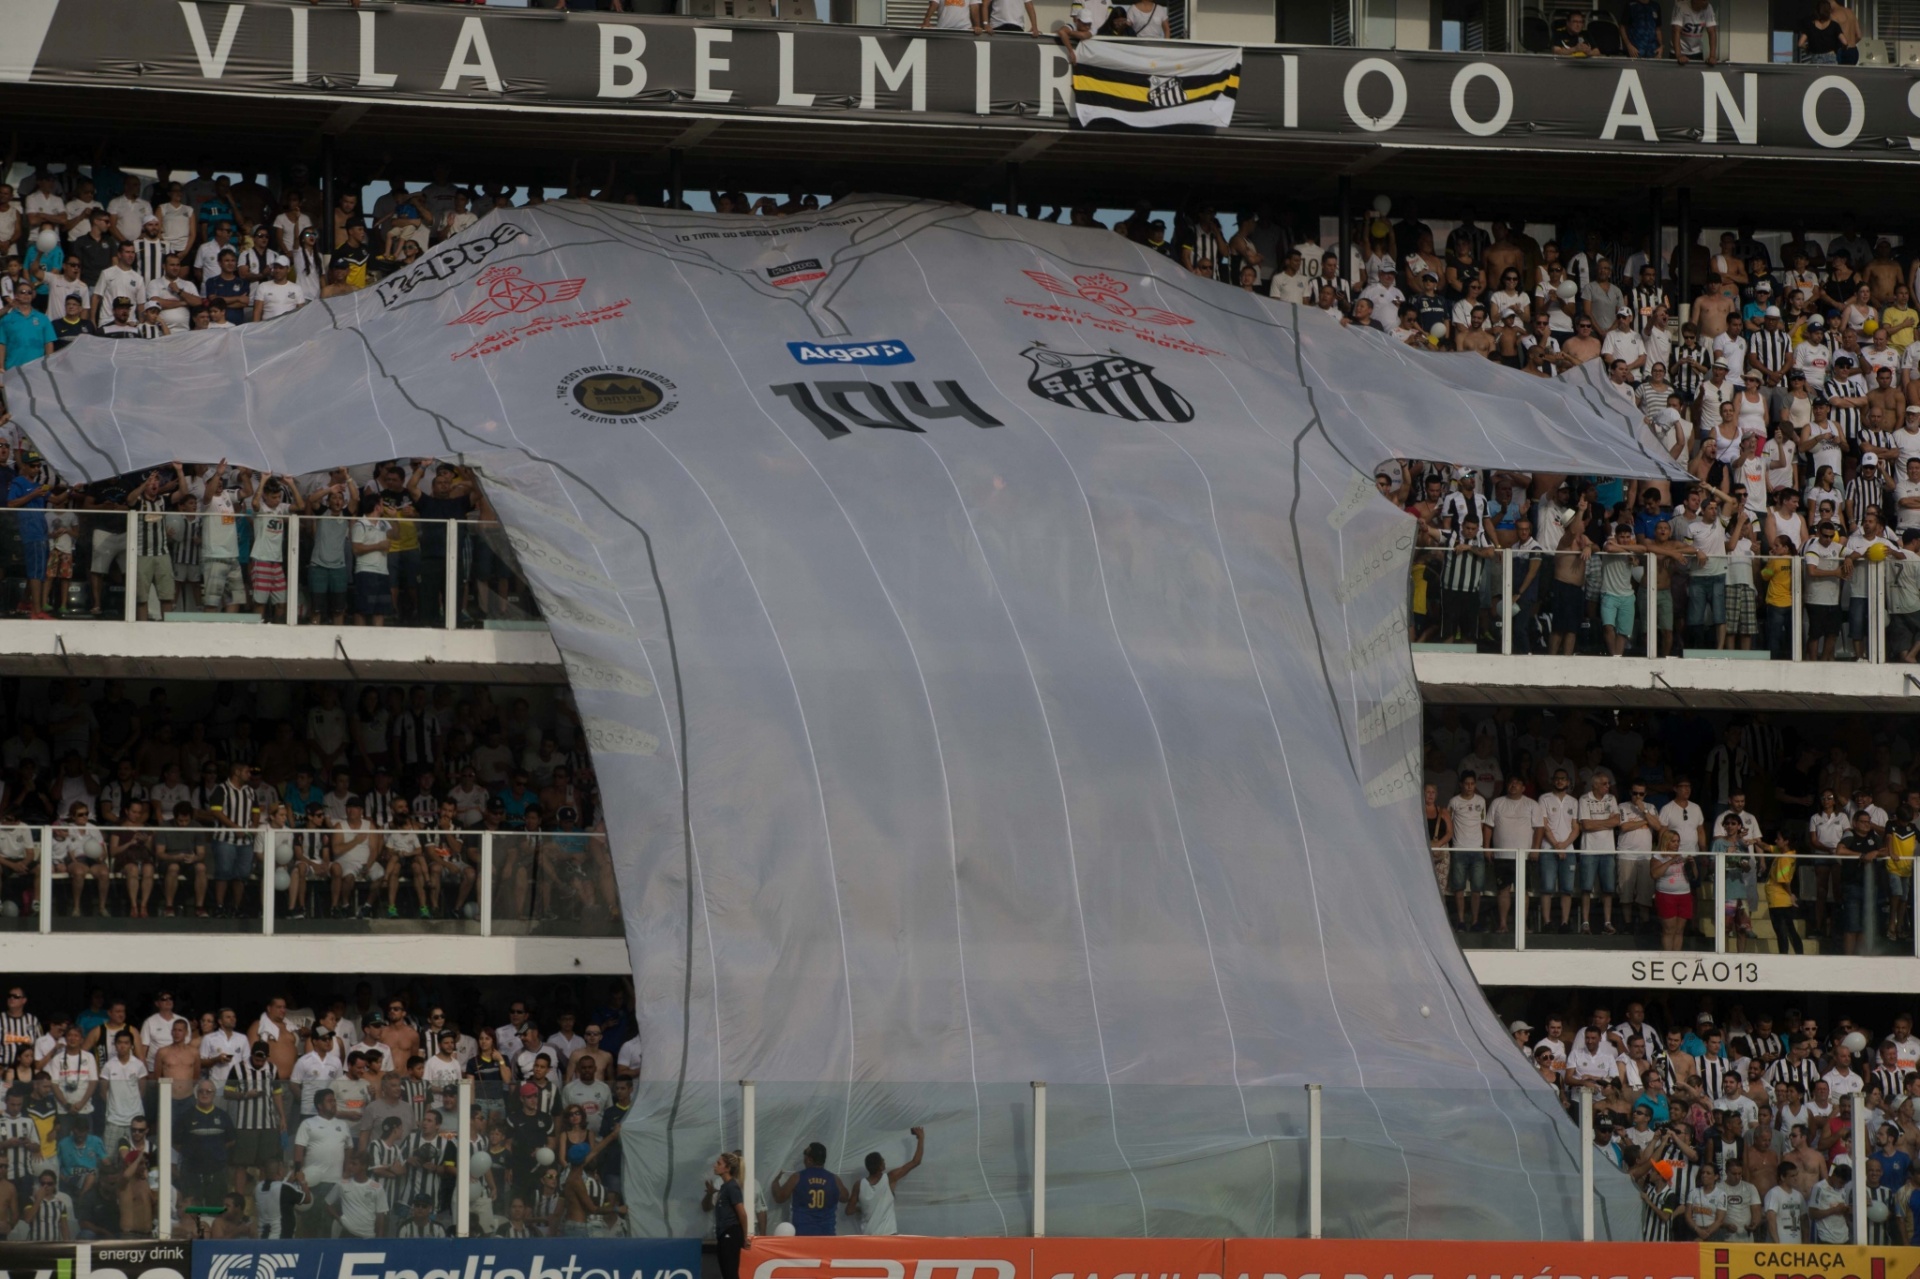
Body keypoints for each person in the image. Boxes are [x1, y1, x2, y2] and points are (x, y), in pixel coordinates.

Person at [847, 1126, 925, 1236]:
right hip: (889, 1237)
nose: (885, 1162)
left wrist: (864, 1209)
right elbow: (916, 1161)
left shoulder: (858, 1185)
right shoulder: (889, 1179)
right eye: (883, 1161)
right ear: (880, 1167)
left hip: (868, 1239)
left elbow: (849, 1210)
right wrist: (921, 1138)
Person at [774, 1141, 847, 1235]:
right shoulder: (834, 1179)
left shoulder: (797, 1177)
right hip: (827, 1235)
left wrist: (775, 1182)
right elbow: (845, 1197)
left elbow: (779, 1197)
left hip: (803, 1234)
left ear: (809, 1159)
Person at [708, 1151, 748, 1279]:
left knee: (730, 1273)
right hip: (723, 1234)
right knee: (726, 1273)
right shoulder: (725, 1187)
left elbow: (742, 1214)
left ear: (727, 1168)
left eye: (719, 1163)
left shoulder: (732, 1187)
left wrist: (744, 1237)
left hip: (730, 1233)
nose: (715, 1165)